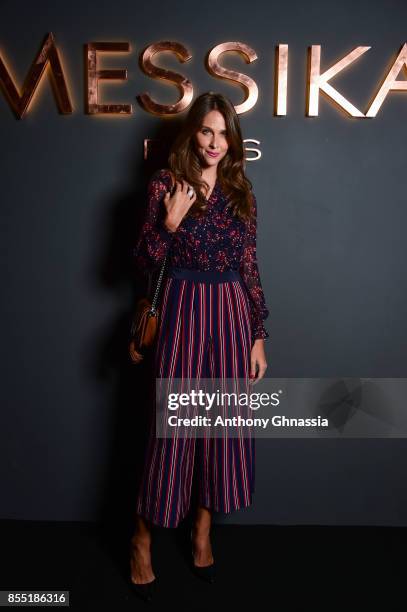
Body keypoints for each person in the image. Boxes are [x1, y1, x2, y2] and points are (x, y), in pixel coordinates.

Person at [129, 91, 269, 601]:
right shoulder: (168, 183)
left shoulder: (240, 188)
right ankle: (142, 538)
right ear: (192, 133)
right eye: (205, 131)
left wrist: (258, 333)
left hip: (231, 313)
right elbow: (144, 260)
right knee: (174, 431)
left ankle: (202, 533)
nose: (214, 142)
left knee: (220, 431)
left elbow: (250, 265)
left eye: (222, 132)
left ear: (232, 137)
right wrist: (169, 222)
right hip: (184, 312)